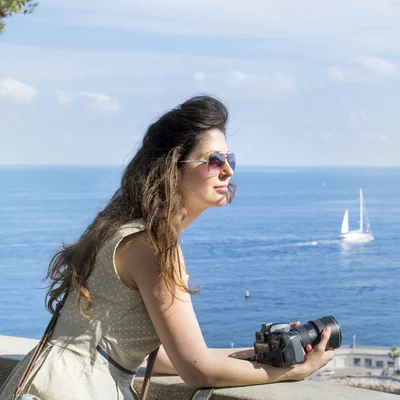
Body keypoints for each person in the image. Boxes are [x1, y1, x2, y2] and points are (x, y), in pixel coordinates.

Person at [0, 95, 335, 400]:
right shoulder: (154, 246)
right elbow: (196, 370)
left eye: (229, 158)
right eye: (214, 160)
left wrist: (262, 354)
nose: (228, 170)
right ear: (173, 169)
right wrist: (295, 370)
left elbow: (166, 356)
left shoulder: (122, 231)